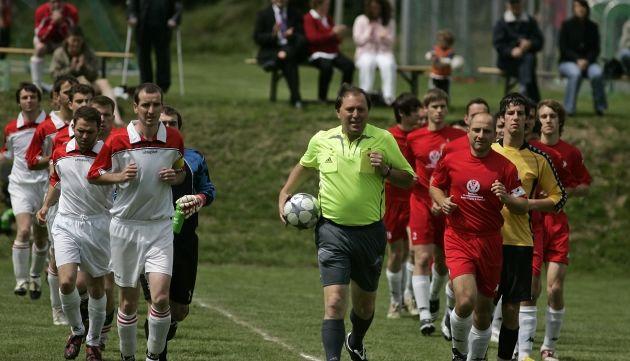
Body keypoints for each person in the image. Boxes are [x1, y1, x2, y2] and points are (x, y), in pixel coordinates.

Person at [277, 84, 414, 361]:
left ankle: (357, 339)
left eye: (361, 109)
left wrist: (386, 170)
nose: (355, 114)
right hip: (331, 231)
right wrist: (285, 191)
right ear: (338, 111)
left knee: (364, 307)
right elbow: (305, 165)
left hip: (370, 233)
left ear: (368, 112)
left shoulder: (383, 139)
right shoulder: (321, 140)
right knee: (335, 301)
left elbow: (410, 179)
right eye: (349, 109)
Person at [87, 83, 185, 361]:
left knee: (162, 297)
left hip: (160, 226)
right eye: (146, 105)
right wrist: (119, 177)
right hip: (125, 228)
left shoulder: (174, 138)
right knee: (128, 303)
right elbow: (94, 174)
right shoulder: (118, 140)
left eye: (156, 104)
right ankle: (128, 356)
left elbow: (179, 170)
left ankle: (153, 357)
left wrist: (174, 177)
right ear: (135, 107)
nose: (151, 110)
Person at [430, 112, 528, 361]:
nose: (481, 135)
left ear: (495, 133)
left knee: (483, 313)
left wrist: (506, 197)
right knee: (465, 301)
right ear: (468, 129)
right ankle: (459, 353)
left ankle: (475, 357)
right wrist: (443, 202)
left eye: (486, 131)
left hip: (490, 242)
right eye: (476, 130)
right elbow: (435, 184)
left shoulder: (505, 166)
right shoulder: (451, 154)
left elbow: (522, 204)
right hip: (458, 237)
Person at [490, 93, 567, 361]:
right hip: (486, 240)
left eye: (520, 114)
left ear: (527, 121)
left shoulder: (538, 159)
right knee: (480, 306)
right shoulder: (487, 151)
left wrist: (528, 204)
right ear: (501, 118)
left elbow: (559, 198)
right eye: (510, 113)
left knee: (511, 309)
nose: (515, 118)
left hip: (519, 242)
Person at [139, 105, 216, 360]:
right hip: (150, 235)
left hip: (183, 239)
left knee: (179, 310)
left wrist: (199, 199)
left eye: (173, 123)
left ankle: (162, 329)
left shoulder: (194, 158)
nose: (168, 127)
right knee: (158, 299)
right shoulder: (142, 154)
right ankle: (157, 354)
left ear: (179, 128)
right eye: (164, 123)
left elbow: (209, 189)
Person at [36, 106, 110, 361]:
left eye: (89, 131)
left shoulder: (108, 154)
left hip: (98, 225)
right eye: (79, 130)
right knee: (66, 281)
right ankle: (77, 331)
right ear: (73, 128)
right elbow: (57, 181)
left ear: (99, 129)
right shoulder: (60, 151)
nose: (84, 135)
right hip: (67, 222)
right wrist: (46, 204)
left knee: (97, 288)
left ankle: (93, 342)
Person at [527, 99, 590, 361]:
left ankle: (548, 347)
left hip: (557, 223)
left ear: (559, 120)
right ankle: (524, 347)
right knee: (530, 290)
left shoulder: (571, 153)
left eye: (552, 115)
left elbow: (584, 183)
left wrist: (565, 194)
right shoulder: (529, 149)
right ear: (538, 120)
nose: (548, 120)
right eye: (543, 116)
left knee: (554, 288)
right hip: (531, 223)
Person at [407, 88, 465, 336]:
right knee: (421, 257)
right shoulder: (414, 138)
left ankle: (433, 296)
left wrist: (442, 198)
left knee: (443, 264)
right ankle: (424, 315)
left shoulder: (457, 137)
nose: (439, 111)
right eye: (434, 106)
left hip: (449, 205)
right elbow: (408, 172)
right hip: (421, 202)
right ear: (425, 110)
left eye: (443, 106)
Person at [25, 74, 78, 325]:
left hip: (86, 200)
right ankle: (59, 310)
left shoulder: (88, 126)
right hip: (57, 196)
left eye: (76, 93)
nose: (72, 97)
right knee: (57, 254)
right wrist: (56, 159)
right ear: (57, 97)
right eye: (67, 92)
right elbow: (31, 161)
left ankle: (86, 307)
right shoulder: (47, 128)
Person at [0, 83, 50, 300]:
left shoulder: (51, 125)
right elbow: (8, 154)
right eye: (24, 97)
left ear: (39, 100)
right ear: (19, 101)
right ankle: (21, 281)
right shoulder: (11, 128)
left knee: (40, 237)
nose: (28, 100)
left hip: (45, 185)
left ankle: (35, 276)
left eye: (32, 97)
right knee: (23, 230)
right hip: (20, 185)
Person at [383, 93, 422, 319]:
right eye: (415, 110)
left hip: (415, 200)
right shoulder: (388, 136)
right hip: (393, 202)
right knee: (396, 253)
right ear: (403, 113)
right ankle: (394, 301)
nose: (420, 114)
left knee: (415, 251)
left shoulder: (421, 135)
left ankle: (408, 296)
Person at [50, 26, 123, 124]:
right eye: (73, 40)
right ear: (67, 39)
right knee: (82, 79)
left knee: (103, 82)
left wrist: (84, 66)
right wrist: (70, 68)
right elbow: (54, 75)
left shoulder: (88, 52)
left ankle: (117, 119)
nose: (76, 43)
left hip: (87, 83)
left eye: (79, 40)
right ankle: (90, 115)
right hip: (68, 86)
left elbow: (95, 74)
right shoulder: (59, 53)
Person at [253, 0, 306, 108]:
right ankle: (296, 99)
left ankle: (276, 60)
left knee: (288, 55)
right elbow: (257, 38)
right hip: (272, 49)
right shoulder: (263, 14)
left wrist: (292, 35)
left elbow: (303, 38)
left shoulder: (295, 14)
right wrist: (272, 35)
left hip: (291, 48)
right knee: (288, 60)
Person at [558, 0, 607, 116]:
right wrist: (577, 60)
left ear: (587, 9)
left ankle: (600, 107)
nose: (580, 9)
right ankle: (569, 109)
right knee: (575, 74)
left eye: (583, 6)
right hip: (568, 62)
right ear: (574, 9)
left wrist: (587, 61)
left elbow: (596, 49)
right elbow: (563, 48)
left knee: (597, 74)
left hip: (589, 63)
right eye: (577, 6)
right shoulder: (566, 25)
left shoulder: (593, 27)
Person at [492, 0, 544, 103]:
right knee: (528, 63)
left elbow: (539, 41)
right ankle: (527, 93)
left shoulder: (530, 22)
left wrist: (530, 44)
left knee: (527, 59)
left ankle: (524, 90)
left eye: (517, 2)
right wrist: (511, 51)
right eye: (513, 3)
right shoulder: (501, 23)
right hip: (508, 61)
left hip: (527, 61)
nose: (515, 5)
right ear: (508, 5)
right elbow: (498, 44)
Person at [304, 0, 355, 102]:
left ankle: (343, 96)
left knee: (349, 66)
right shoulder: (309, 18)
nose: (328, 7)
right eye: (326, 4)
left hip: (332, 52)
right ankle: (322, 98)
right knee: (327, 67)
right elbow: (312, 38)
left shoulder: (327, 18)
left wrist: (339, 34)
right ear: (318, 4)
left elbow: (335, 39)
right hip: (317, 52)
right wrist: (332, 33)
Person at [127, 0, 183, 93]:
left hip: (163, 27)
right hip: (143, 27)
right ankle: (145, 85)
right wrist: (132, 17)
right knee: (143, 57)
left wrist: (174, 19)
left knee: (163, 56)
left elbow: (178, 6)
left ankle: (163, 86)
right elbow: (132, 6)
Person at [352, 0, 396, 105]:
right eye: (373, 7)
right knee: (367, 63)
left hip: (383, 52)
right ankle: (365, 94)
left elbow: (391, 41)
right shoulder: (361, 20)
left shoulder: (389, 21)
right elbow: (358, 41)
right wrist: (368, 34)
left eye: (377, 7)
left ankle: (388, 97)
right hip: (365, 52)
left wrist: (384, 37)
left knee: (389, 64)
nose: (375, 10)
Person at [31, 0, 79, 90]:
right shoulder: (41, 11)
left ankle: (66, 85)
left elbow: (72, 36)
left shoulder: (72, 11)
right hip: (45, 41)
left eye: (60, 1)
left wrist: (61, 23)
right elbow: (41, 37)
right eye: (53, 2)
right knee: (40, 48)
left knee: (73, 48)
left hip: (63, 42)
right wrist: (53, 23)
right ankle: (37, 85)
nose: (56, 5)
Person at [426, 30, 456, 95]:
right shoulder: (435, 49)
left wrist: (438, 60)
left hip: (445, 77)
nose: (440, 42)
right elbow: (429, 55)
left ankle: (444, 104)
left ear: (449, 42)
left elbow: (447, 62)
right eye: (439, 40)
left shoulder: (450, 51)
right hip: (435, 75)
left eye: (443, 41)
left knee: (445, 93)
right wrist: (433, 58)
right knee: (433, 92)